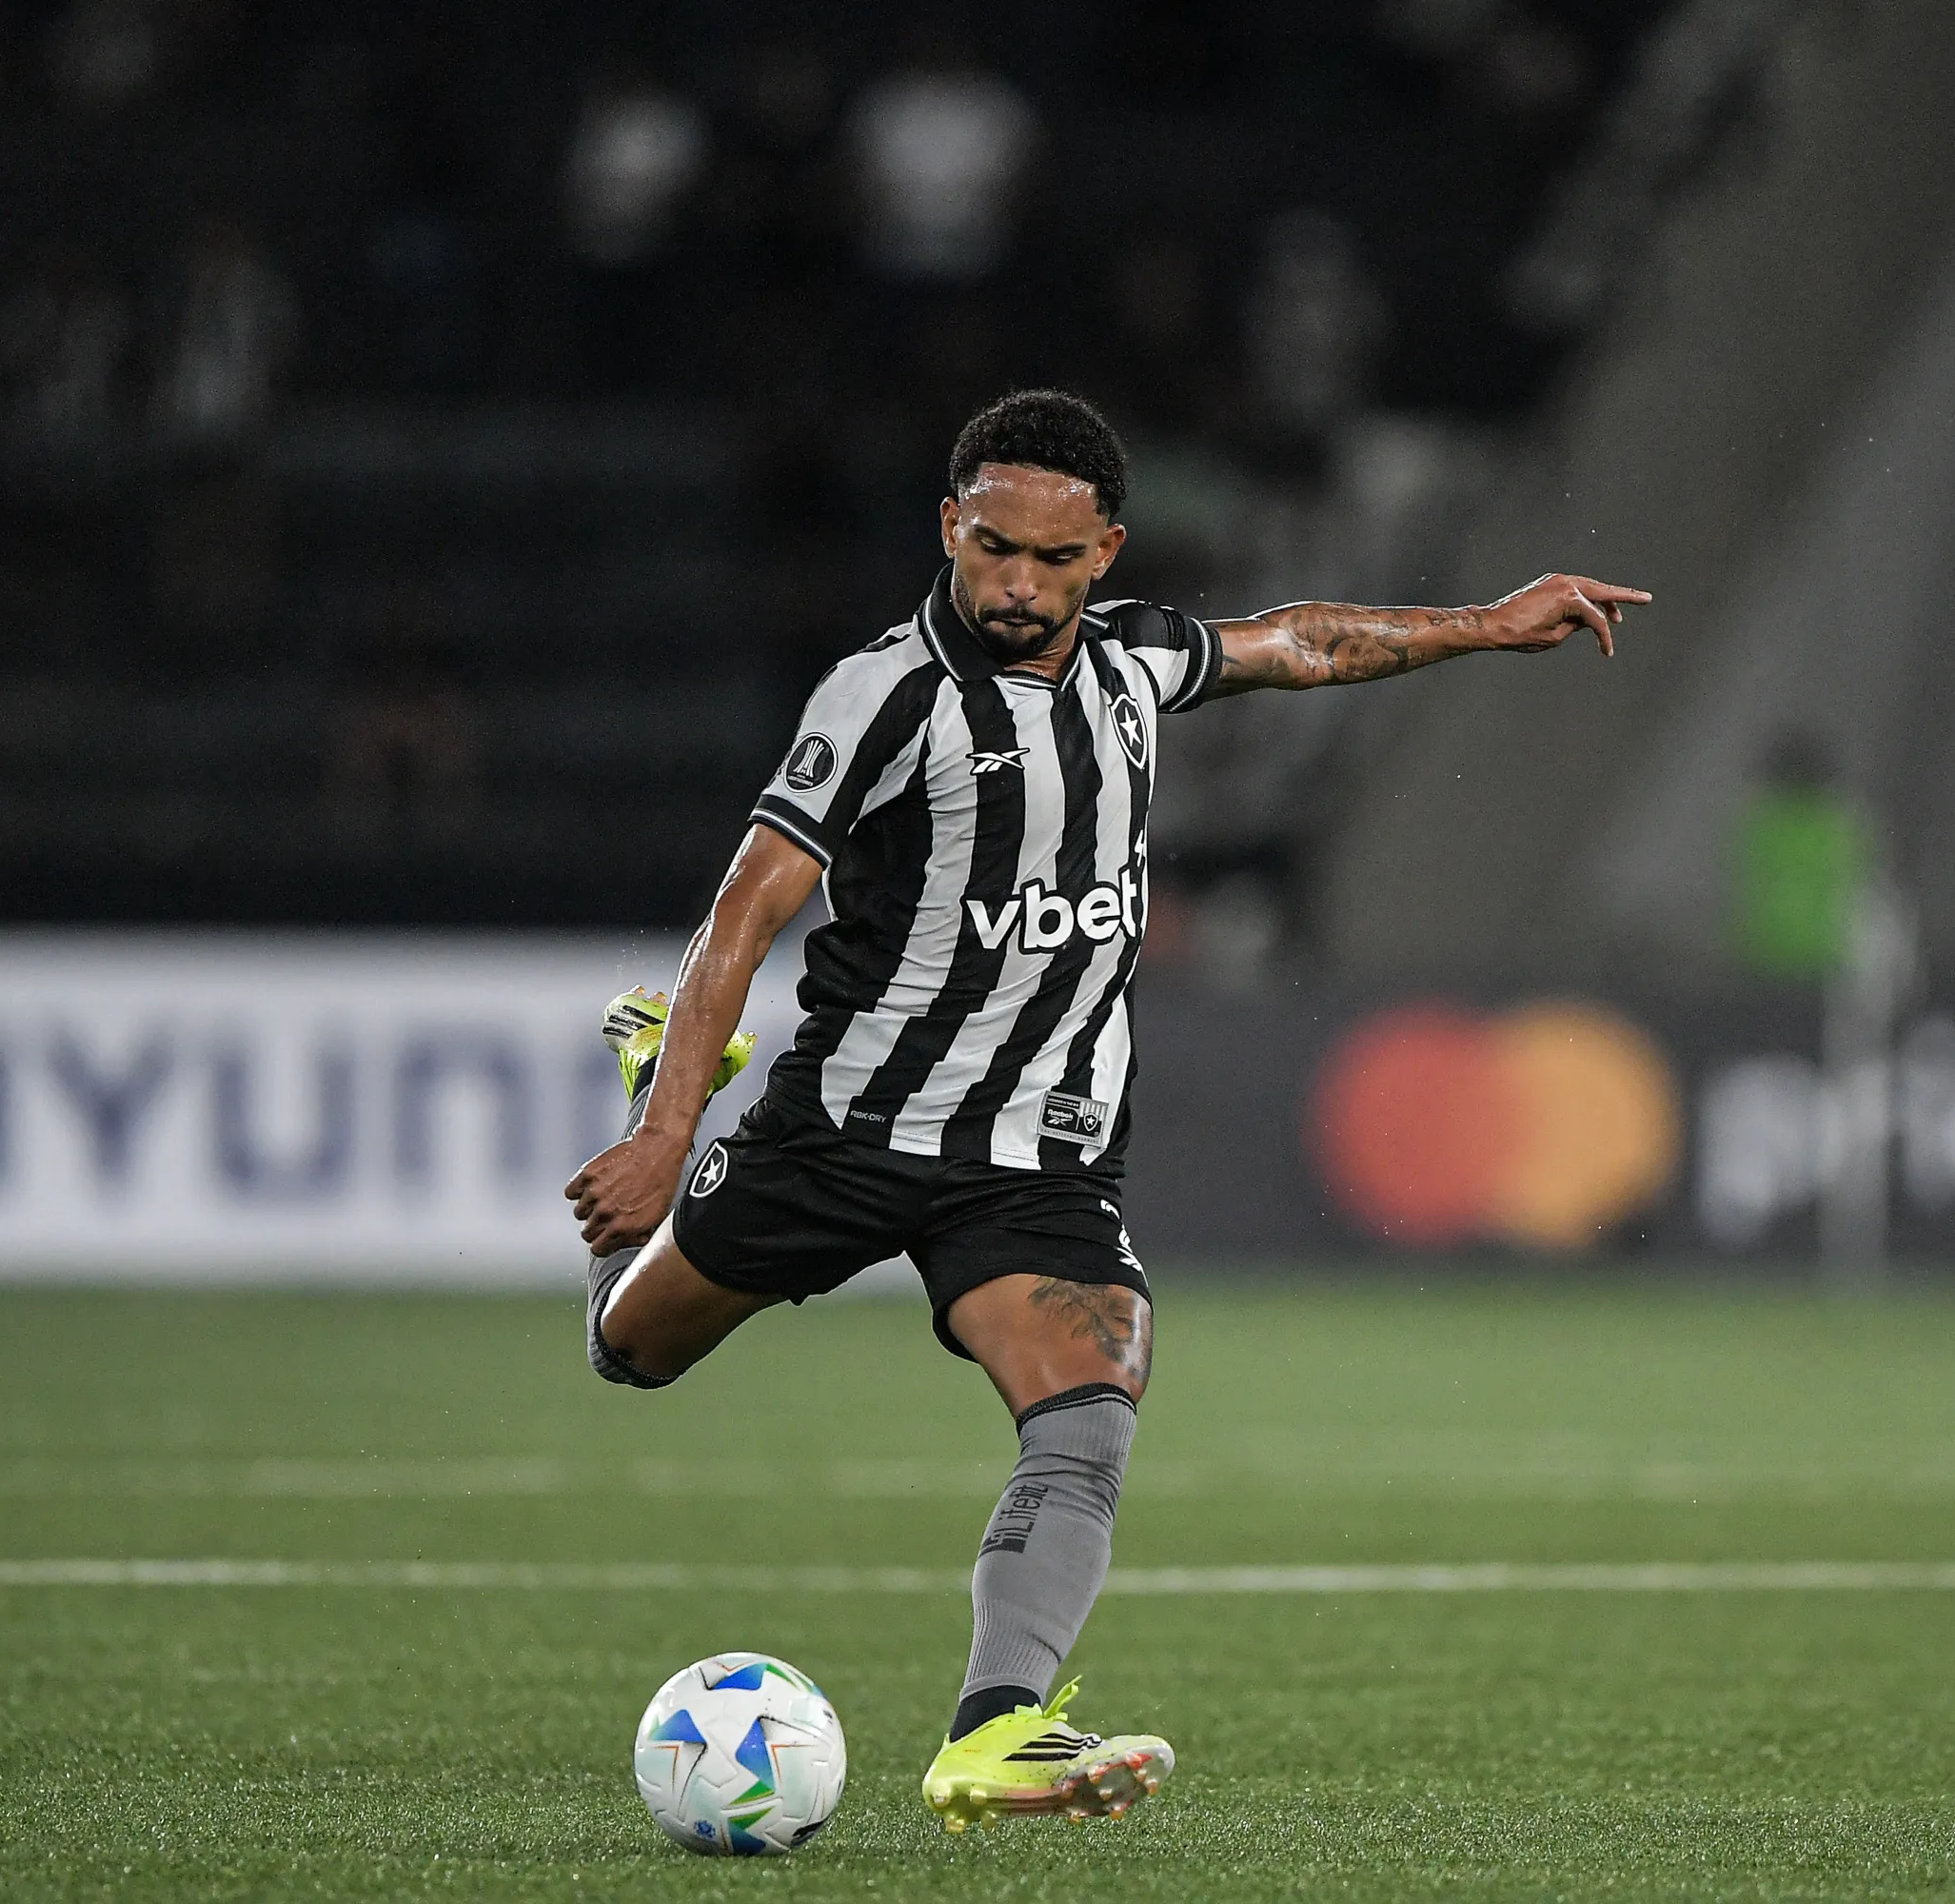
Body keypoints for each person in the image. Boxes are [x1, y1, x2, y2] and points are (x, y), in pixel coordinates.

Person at [563, 387, 1647, 1833]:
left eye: (1053, 562)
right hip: (847, 1126)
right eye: (992, 548)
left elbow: (1304, 641)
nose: (1016, 585)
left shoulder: (1140, 661)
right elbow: (748, 906)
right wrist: (667, 1126)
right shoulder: (883, 695)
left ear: (1107, 554)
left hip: (1038, 1159)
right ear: (951, 527)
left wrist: (1485, 622)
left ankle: (993, 1735)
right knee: (631, 1350)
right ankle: (661, 1075)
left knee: (1091, 1402)